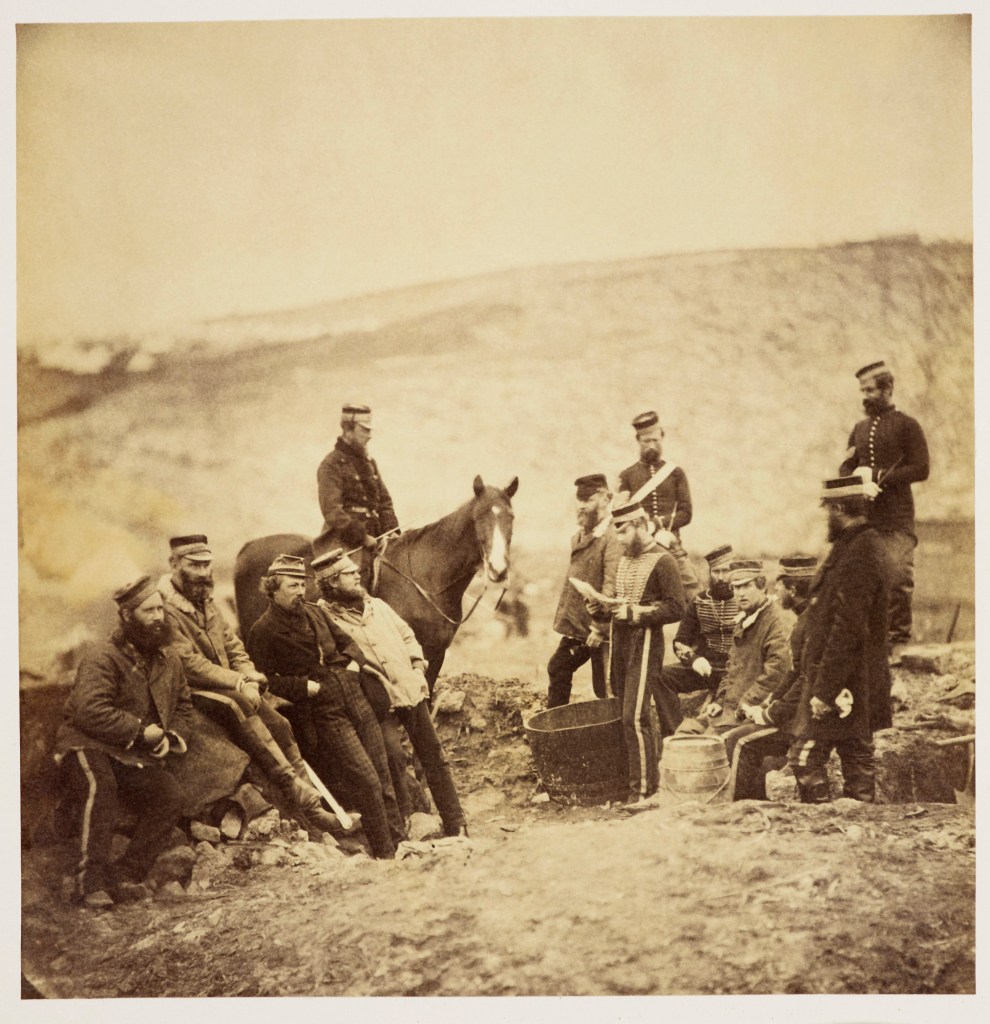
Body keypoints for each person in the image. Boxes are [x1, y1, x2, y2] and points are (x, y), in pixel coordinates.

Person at [158, 535, 340, 842]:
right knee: (239, 710)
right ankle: (301, 796)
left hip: (228, 682)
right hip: (188, 689)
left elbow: (232, 643)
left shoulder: (204, 598)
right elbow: (188, 663)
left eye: (207, 564)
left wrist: (248, 672)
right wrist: (238, 681)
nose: (203, 572)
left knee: (280, 723)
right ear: (174, 564)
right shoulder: (164, 608)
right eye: (194, 564)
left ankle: (313, 805)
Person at [244, 554, 406, 858]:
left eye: (302, 585)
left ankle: (401, 842)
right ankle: (384, 852)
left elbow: (347, 643)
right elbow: (264, 678)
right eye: (293, 586)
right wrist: (302, 687)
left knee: (383, 775)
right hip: (324, 711)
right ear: (273, 589)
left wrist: (352, 667)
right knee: (366, 780)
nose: (300, 592)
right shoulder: (262, 630)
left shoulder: (315, 613)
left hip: (355, 696)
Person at [55, 576, 192, 908]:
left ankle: (127, 873)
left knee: (169, 795)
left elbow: (184, 705)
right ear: (128, 616)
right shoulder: (103, 656)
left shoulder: (168, 659)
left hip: (129, 754)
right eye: (149, 611)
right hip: (86, 743)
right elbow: (89, 711)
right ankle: (88, 883)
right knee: (100, 787)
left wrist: (171, 736)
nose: (158, 617)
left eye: (161, 608)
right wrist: (140, 731)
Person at [314, 547, 468, 838]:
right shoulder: (324, 618)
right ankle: (406, 826)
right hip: (375, 703)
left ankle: (455, 822)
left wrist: (417, 667)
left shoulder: (378, 606)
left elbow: (408, 635)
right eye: (349, 574)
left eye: (355, 572)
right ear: (332, 582)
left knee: (433, 755)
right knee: (392, 759)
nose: (357, 576)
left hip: (409, 690)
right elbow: (334, 659)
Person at [785, 476, 893, 803]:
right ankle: (856, 830)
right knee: (856, 754)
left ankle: (823, 827)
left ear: (839, 508)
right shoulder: (856, 546)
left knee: (804, 757)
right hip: (853, 678)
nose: (825, 519)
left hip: (844, 680)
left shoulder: (860, 551)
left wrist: (825, 689)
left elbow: (848, 627)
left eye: (827, 511)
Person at [592, 500, 685, 803]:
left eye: (622, 532)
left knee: (636, 717)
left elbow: (675, 607)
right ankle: (632, 784)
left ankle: (644, 792)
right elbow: (621, 603)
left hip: (645, 643)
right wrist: (600, 608)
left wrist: (637, 615)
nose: (618, 540)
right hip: (620, 642)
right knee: (623, 713)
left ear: (639, 525)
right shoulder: (625, 559)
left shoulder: (664, 560)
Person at [838, 360, 929, 664]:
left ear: (888, 389)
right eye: (862, 390)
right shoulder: (859, 429)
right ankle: (872, 643)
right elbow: (847, 466)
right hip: (867, 518)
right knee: (866, 578)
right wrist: (857, 480)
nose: (865, 396)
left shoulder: (907, 425)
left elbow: (921, 468)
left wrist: (878, 477)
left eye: (870, 390)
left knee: (899, 576)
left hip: (898, 516)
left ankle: (899, 641)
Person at [720, 555, 818, 800]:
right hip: (787, 710)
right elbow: (794, 673)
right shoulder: (802, 619)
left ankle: (741, 807)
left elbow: (794, 675)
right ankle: (745, 803)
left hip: (804, 717)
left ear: (792, 589)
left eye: (746, 586)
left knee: (738, 742)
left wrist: (768, 711)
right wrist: (768, 703)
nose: (777, 591)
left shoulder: (800, 622)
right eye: (735, 587)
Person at [546, 473, 620, 708]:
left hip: (602, 627)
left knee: (606, 687)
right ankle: (555, 729)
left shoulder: (613, 535)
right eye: (579, 499)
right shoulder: (582, 535)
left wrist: (600, 628)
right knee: (559, 666)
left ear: (606, 498)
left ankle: (616, 737)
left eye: (587, 499)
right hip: (580, 627)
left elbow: (613, 584)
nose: (581, 506)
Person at [699, 560, 792, 736]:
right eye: (736, 588)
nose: (740, 594)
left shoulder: (776, 622)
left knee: (705, 748)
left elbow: (776, 674)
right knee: (686, 731)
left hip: (755, 712)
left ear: (762, 586)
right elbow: (731, 668)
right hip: (730, 709)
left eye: (746, 586)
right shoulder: (743, 620)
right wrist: (720, 700)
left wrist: (744, 705)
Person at [316, 404, 399, 590]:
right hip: (345, 539)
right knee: (351, 583)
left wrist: (392, 529)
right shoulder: (331, 465)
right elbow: (332, 511)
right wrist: (362, 537)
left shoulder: (370, 463)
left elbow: (384, 502)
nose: (369, 435)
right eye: (364, 430)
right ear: (348, 430)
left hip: (377, 534)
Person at [659, 544, 739, 712]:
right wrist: (694, 659)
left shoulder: (745, 598)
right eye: (716, 572)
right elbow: (680, 641)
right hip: (708, 668)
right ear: (710, 573)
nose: (722, 577)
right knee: (661, 676)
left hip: (738, 669)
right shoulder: (699, 601)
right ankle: (673, 731)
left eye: (726, 571)